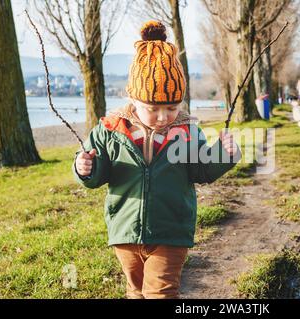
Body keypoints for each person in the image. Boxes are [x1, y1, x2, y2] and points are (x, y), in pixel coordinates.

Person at [73, 21, 242, 299]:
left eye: (172, 108)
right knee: (136, 291)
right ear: (133, 99)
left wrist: (224, 154)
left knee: (161, 292)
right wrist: (85, 167)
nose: (164, 117)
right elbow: (96, 171)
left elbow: (201, 169)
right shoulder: (110, 130)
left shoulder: (186, 131)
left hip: (170, 230)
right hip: (125, 231)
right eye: (154, 109)